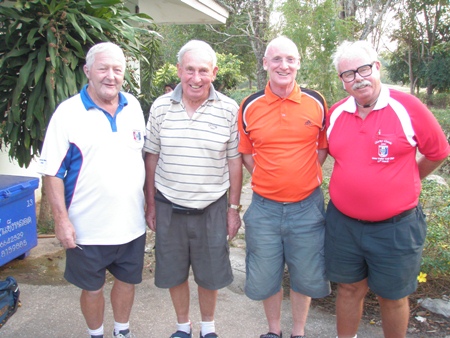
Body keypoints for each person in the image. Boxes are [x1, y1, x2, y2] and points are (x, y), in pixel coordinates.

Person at [325, 40, 450, 338]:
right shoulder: (336, 113)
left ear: (377, 68)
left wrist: (410, 178)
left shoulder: (408, 107)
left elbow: (438, 151)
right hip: (344, 224)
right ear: (342, 82)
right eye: (348, 74)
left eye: (364, 69)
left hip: (396, 227)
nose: (358, 78)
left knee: (392, 297)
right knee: (348, 289)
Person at [39, 42, 147, 338]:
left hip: (131, 225)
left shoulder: (134, 106)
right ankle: (96, 333)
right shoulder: (68, 113)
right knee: (93, 288)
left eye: (117, 69)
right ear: (88, 71)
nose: (110, 76)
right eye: (103, 68)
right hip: (87, 228)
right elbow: (53, 172)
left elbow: (142, 159)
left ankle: (122, 331)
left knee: (127, 282)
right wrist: (61, 221)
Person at [144, 40, 242, 338]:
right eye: (189, 69)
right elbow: (151, 157)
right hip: (168, 204)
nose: (196, 78)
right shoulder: (160, 107)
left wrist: (233, 209)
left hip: (212, 206)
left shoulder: (229, 109)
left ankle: (208, 328)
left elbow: (234, 162)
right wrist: (150, 203)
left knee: (210, 275)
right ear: (179, 70)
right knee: (173, 271)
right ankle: (182, 326)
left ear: (214, 72)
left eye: (203, 70)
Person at [238, 36, 331, 338]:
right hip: (264, 209)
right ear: (265, 64)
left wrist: (300, 177)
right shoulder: (250, 105)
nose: (283, 65)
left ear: (298, 63)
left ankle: (299, 332)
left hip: (307, 208)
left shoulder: (315, 102)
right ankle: (274, 331)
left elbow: (321, 148)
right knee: (266, 275)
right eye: (276, 59)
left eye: (290, 59)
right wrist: (269, 176)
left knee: (305, 275)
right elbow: (247, 153)